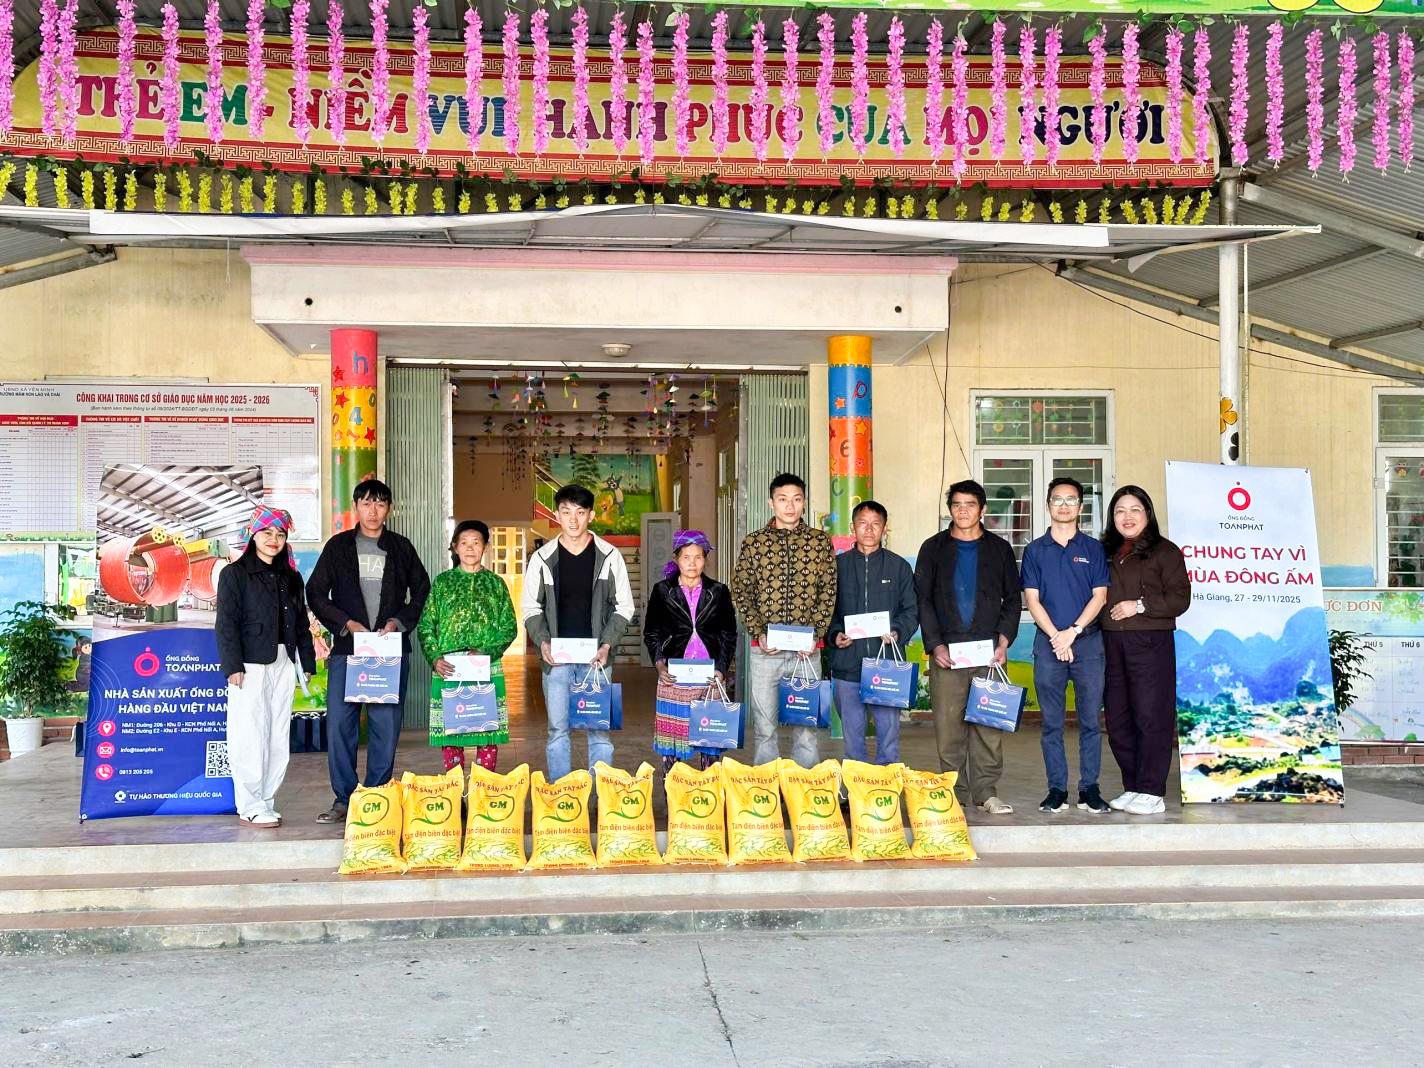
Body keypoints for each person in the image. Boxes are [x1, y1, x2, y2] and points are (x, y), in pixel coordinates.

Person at [307, 479, 431, 824]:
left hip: (388, 650)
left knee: (385, 725)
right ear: (356, 507)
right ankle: (344, 798)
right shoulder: (338, 547)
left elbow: (422, 590)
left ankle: (376, 795)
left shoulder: (401, 547)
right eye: (366, 503)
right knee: (340, 725)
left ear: (389, 508)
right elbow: (315, 592)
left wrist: (398, 621)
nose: (373, 511)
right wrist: (346, 623)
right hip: (349, 650)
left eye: (379, 504)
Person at [915, 479, 1022, 815]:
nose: (963, 511)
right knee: (949, 727)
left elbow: (1013, 599)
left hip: (988, 653)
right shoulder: (933, 548)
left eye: (970, 504)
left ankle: (986, 791)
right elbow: (923, 600)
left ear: (983, 509)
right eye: (957, 505)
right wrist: (935, 645)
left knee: (988, 726)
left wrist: (1003, 640)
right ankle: (954, 792)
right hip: (948, 653)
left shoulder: (999, 549)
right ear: (950, 509)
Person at [521, 483, 634, 781]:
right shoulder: (542, 558)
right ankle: (563, 794)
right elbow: (531, 608)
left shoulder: (610, 556)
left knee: (599, 731)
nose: (573, 519)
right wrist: (543, 643)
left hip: (597, 660)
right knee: (558, 730)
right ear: (557, 514)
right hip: (556, 660)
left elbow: (624, 606)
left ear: (591, 515)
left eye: (580, 512)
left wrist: (607, 645)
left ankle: (601, 794)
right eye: (566, 512)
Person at [215, 506, 317, 828]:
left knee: (277, 733)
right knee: (248, 732)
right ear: (253, 534)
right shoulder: (234, 574)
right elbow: (226, 624)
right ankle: (249, 804)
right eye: (267, 533)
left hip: (283, 662)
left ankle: (267, 799)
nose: (274, 539)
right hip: (248, 665)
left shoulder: (291, 577)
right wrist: (233, 665)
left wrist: (307, 661)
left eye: (280, 534)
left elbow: (301, 624)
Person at [730, 473, 837, 769]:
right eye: (783, 499)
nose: (790, 506)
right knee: (765, 728)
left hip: (806, 652)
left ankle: (804, 789)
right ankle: (767, 790)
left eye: (796, 499)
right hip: (766, 651)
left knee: (806, 728)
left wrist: (816, 635)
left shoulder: (819, 542)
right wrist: (759, 632)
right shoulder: (754, 543)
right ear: (771, 503)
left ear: (804, 502)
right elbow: (741, 591)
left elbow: (828, 591)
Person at [1021, 478, 1111, 815]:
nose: (1064, 505)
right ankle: (1056, 789)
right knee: (1051, 723)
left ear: (1081, 507)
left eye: (1070, 499)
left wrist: (1072, 632)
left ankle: (1089, 789)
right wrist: (1057, 637)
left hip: (1088, 645)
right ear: (1048, 505)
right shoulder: (1035, 550)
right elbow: (1032, 600)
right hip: (1048, 646)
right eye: (1057, 499)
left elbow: (1100, 597)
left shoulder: (1094, 548)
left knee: (1091, 721)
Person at [1101, 485, 1192, 816]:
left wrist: (1138, 605)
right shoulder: (1105, 552)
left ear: (1148, 514)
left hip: (1151, 642)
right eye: (1120, 511)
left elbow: (1180, 598)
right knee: (1118, 718)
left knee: (1151, 716)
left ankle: (1153, 791)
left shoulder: (1165, 552)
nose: (1127, 517)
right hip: (1111, 642)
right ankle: (1134, 785)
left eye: (1135, 510)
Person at [417, 520, 518, 774]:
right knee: (452, 732)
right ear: (455, 547)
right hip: (449, 668)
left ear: (485, 547)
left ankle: (483, 787)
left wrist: (487, 652)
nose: (470, 548)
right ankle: (455, 788)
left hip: (486, 666)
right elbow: (426, 625)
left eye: (476, 543)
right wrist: (435, 658)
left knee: (487, 732)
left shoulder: (495, 584)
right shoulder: (442, 583)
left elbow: (509, 628)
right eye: (464, 543)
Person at [826, 501, 918, 766]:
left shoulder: (899, 567)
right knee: (853, 740)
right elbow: (826, 611)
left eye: (876, 524)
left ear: (885, 529)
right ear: (852, 527)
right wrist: (835, 635)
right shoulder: (837, 567)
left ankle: (885, 786)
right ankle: (856, 787)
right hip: (847, 665)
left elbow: (911, 610)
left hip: (886, 666)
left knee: (888, 739)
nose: (869, 529)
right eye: (863, 523)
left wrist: (897, 631)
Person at [642, 530, 739, 771]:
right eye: (686, 557)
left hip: (709, 678)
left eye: (698, 557)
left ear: (705, 559)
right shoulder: (662, 591)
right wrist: (660, 664)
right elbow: (652, 632)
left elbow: (728, 634)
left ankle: (709, 790)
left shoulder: (718, 591)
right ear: (677, 559)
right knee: (672, 748)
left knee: (710, 745)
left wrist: (721, 669)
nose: (692, 563)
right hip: (674, 676)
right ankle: (673, 790)